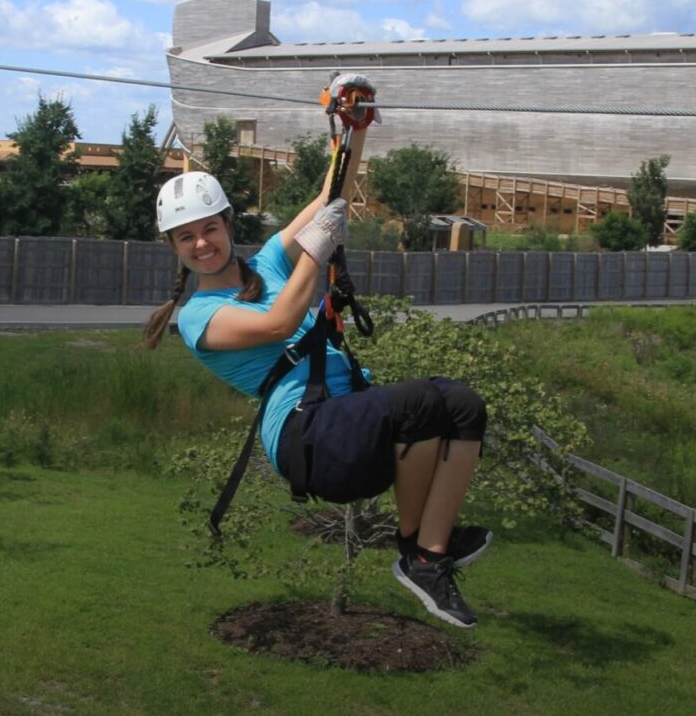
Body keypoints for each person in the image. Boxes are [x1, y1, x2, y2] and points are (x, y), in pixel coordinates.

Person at [141, 168, 492, 628]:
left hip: (343, 422)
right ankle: (417, 555)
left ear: (228, 224)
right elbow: (279, 324)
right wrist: (317, 245)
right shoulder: (198, 317)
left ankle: (432, 547)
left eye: (209, 228)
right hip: (307, 437)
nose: (202, 243)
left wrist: (354, 123)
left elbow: (333, 193)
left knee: (464, 405)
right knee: (422, 401)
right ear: (174, 247)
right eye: (186, 237)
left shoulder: (267, 262)